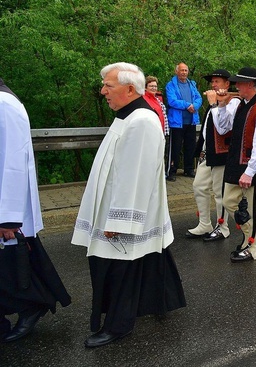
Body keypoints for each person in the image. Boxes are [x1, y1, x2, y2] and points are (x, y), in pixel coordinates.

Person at [72, 63, 186, 347]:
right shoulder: (128, 116)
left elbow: (135, 174)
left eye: (108, 86)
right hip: (119, 205)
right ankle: (160, 302)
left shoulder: (142, 121)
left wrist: (120, 222)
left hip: (127, 212)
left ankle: (118, 325)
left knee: (122, 266)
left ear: (129, 89)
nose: (103, 92)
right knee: (147, 258)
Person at [0, 78, 71, 343]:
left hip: (6, 210)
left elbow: (13, 162)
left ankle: (32, 306)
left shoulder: (5, 104)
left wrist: (8, 216)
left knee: (14, 266)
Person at [213, 67, 256, 262]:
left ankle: (252, 246)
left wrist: (250, 172)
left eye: (239, 83)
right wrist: (222, 105)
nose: (236, 86)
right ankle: (251, 235)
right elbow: (223, 127)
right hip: (239, 165)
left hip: (255, 168)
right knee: (229, 201)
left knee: (252, 207)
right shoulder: (244, 104)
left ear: (250, 85)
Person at [186, 69, 233, 241]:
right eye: (212, 82)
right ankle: (204, 223)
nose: (213, 85)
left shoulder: (232, 101)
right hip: (208, 152)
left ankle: (223, 227)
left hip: (222, 153)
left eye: (217, 82)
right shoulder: (216, 99)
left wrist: (215, 104)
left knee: (220, 192)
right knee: (199, 186)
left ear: (227, 84)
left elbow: (223, 127)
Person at [165, 62, 202, 181]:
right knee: (175, 147)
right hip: (177, 122)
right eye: (182, 70)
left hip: (191, 121)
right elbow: (172, 101)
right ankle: (172, 170)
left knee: (190, 146)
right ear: (177, 71)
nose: (184, 72)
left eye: (186, 70)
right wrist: (187, 105)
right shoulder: (171, 85)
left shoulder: (192, 84)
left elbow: (199, 98)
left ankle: (189, 169)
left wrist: (194, 106)